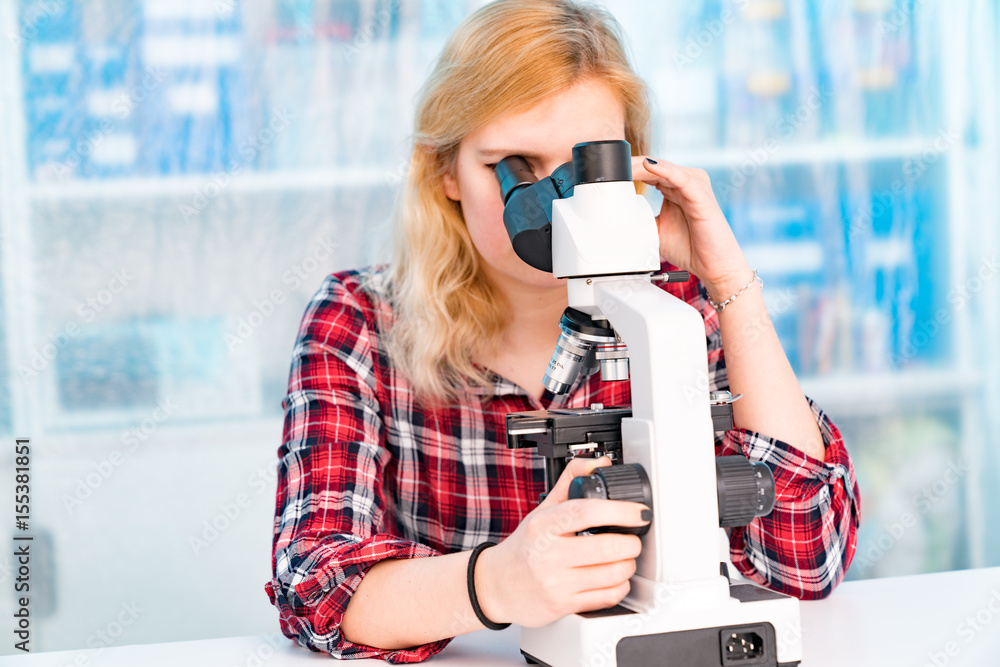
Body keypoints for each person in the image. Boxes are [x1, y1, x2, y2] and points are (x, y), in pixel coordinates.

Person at [265, 0, 860, 662]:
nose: (554, 204)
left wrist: (730, 283)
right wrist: (496, 582)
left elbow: (811, 555)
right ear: (445, 172)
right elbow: (314, 586)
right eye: (515, 163)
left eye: (582, 167)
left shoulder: (680, 309)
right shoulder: (358, 321)